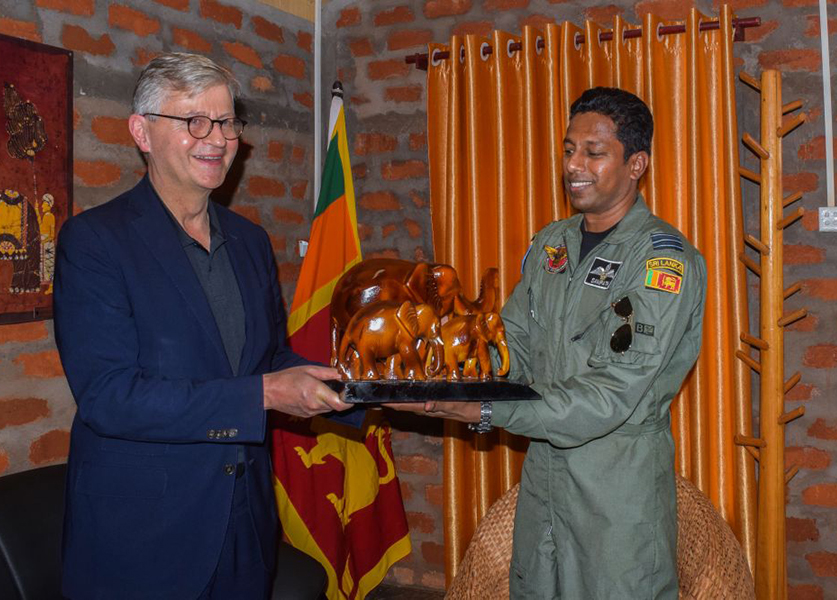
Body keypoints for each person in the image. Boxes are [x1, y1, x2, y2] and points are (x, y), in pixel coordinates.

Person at [53, 52, 351, 599]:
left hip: (245, 529)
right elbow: (109, 396)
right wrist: (262, 394)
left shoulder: (251, 241)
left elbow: (264, 360)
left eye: (227, 121)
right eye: (194, 120)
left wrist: (353, 382)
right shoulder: (94, 243)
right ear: (141, 132)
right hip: (144, 542)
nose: (217, 138)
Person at [408, 87, 707, 598]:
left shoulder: (663, 261)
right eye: (569, 149)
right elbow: (514, 345)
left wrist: (483, 410)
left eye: (594, 152)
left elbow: (610, 394)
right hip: (544, 480)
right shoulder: (553, 244)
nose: (574, 164)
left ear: (637, 164)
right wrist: (446, 364)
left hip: (615, 490)